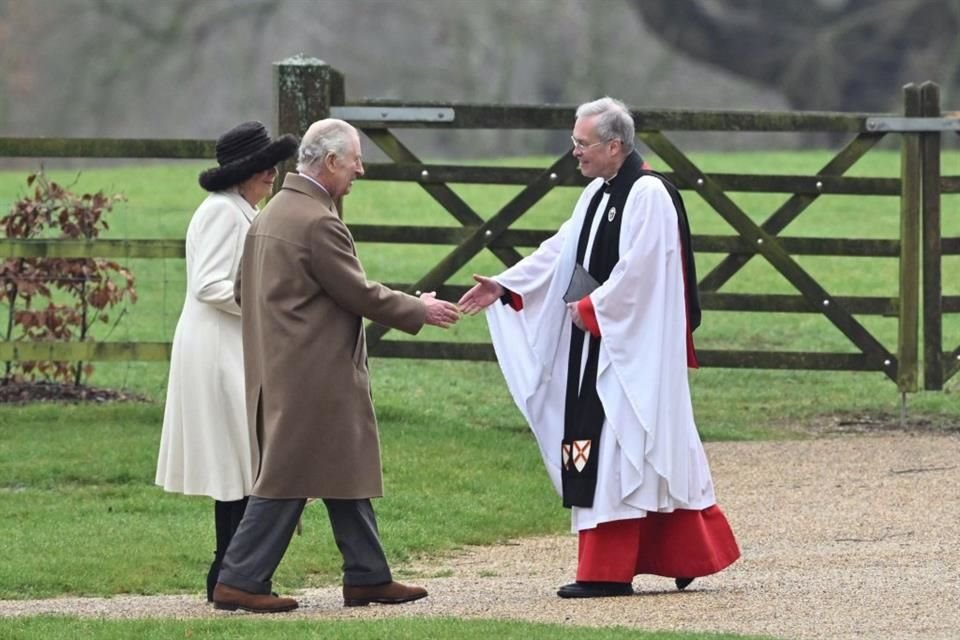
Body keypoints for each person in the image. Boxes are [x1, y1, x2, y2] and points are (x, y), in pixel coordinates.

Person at [458, 97, 740, 598]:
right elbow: (561, 252)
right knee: (624, 454)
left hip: (630, 351)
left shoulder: (649, 194)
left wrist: (593, 309)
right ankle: (677, 555)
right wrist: (507, 285)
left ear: (614, 146)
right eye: (574, 143)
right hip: (600, 348)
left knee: (629, 448)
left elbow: (645, 269)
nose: (574, 153)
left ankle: (607, 571)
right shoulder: (596, 193)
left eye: (582, 144)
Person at [211, 118, 461, 613]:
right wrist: (419, 309)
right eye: (355, 161)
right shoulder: (317, 220)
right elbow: (357, 292)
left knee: (343, 470)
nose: (360, 170)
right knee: (286, 478)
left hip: (281, 368)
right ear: (329, 162)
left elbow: (244, 292)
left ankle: (368, 576)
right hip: (313, 374)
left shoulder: (269, 214)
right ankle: (239, 579)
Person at [156, 120, 297, 603]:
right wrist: (268, 309)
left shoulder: (236, 210)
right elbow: (210, 284)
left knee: (239, 466)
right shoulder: (221, 212)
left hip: (228, 345)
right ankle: (234, 574)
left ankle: (230, 571)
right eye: (263, 168)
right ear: (243, 173)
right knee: (237, 464)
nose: (272, 175)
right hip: (217, 350)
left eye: (274, 166)